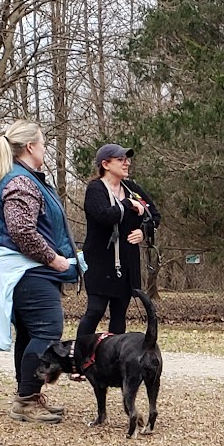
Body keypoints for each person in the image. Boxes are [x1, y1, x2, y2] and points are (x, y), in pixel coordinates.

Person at [0, 119, 80, 423]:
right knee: (47, 331)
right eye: (43, 143)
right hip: (31, 272)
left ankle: (27, 396)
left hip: (27, 272)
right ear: (31, 147)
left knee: (31, 332)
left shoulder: (21, 178)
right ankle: (27, 400)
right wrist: (54, 260)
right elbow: (21, 230)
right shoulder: (21, 181)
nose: (45, 148)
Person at [74, 143, 158, 373]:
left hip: (126, 264)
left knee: (119, 314)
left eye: (127, 159)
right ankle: (79, 360)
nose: (126, 163)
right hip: (100, 263)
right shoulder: (95, 189)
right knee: (95, 310)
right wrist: (126, 205)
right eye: (121, 159)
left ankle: (114, 363)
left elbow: (154, 216)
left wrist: (144, 232)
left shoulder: (132, 189)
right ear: (105, 164)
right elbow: (104, 215)